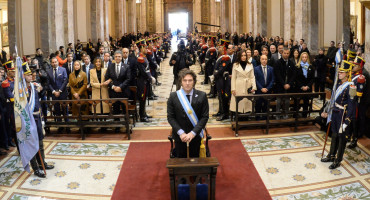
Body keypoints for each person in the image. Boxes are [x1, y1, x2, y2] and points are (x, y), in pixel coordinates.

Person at [321, 61, 356, 169]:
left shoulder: (351, 87)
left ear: (347, 73)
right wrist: (328, 111)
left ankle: (338, 160)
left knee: (342, 139)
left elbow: (352, 106)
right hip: (335, 113)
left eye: (341, 72)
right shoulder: (338, 84)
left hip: (343, 115)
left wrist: (347, 121)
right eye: (339, 72)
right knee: (334, 135)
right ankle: (331, 155)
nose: (339, 74)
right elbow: (332, 100)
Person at [167, 69, 209, 158]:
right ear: (181, 82)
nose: (187, 83)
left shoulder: (202, 95)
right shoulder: (173, 96)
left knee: (195, 160)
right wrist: (181, 133)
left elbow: (204, 117)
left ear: (194, 82)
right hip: (179, 136)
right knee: (180, 160)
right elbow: (170, 117)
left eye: (190, 80)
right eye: (184, 80)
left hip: (196, 135)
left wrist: (193, 133)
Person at [23, 64, 54, 178]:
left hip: (37, 117)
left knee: (40, 142)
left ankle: (42, 163)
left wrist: (42, 87)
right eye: (28, 75)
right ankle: (35, 168)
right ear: (23, 76)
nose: (31, 76)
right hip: (28, 120)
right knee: (31, 144)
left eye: (31, 74)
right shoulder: (21, 90)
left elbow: (40, 96)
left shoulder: (34, 86)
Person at [105, 50, 131, 132]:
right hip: (113, 92)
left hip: (123, 91)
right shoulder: (110, 66)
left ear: (121, 57)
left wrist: (120, 87)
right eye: (116, 56)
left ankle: (126, 125)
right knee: (115, 109)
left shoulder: (126, 66)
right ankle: (117, 126)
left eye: (119, 56)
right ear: (114, 57)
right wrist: (112, 87)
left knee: (124, 109)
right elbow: (107, 78)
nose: (117, 58)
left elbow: (128, 79)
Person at [347, 56, 366, 149]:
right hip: (350, 102)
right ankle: (348, 136)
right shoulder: (353, 75)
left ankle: (354, 140)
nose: (353, 66)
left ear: (359, 67)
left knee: (354, 121)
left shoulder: (360, 78)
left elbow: (359, 93)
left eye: (355, 65)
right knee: (349, 120)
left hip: (355, 103)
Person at [230, 50, 257, 114]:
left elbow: (252, 77)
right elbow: (233, 78)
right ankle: (238, 119)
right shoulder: (235, 65)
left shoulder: (250, 65)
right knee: (239, 104)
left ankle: (246, 118)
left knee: (247, 104)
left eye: (245, 55)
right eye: (242, 55)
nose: (243, 57)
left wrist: (254, 87)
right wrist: (233, 89)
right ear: (239, 56)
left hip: (247, 85)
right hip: (238, 85)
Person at [47, 57, 70, 133]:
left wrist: (60, 91)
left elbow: (65, 80)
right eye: (53, 62)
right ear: (51, 63)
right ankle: (60, 126)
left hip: (62, 92)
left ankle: (67, 126)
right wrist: (54, 91)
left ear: (57, 62)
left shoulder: (63, 69)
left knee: (65, 109)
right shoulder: (49, 71)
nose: (54, 63)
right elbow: (49, 83)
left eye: (55, 62)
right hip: (54, 94)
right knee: (57, 110)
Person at [274, 47, 297, 119]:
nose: (286, 55)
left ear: (289, 54)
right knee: (278, 101)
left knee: (287, 101)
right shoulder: (278, 62)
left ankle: (286, 113)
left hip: (288, 86)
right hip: (280, 85)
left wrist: (289, 84)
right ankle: (277, 114)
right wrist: (283, 84)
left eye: (287, 53)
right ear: (282, 53)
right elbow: (277, 75)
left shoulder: (291, 62)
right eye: (285, 53)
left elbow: (294, 75)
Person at [1, 61, 17, 148]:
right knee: (9, 124)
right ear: (8, 71)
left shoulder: (16, 81)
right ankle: (8, 140)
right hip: (9, 107)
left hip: (15, 107)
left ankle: (13, 139)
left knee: (14, 124)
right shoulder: (5, 83)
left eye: (14, 70)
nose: (14, 72)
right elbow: (10, 96)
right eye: (12, 71)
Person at [254, 55, 275, 120]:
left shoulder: (271, 68)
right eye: (262, 59)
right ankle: (257, 119)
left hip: (267, 91)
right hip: (259, 91)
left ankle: (265, 119)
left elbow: (272, 80)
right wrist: (261, 88)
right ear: (260, 60)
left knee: (266, 106)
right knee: (258, 105)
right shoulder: (256, 69)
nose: (264, 60)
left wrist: (268, 88)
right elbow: (255, 80)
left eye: (265, 59)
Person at [296, 52, 314, 117]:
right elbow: (296, 78)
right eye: (303, 57)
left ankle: (304, 117)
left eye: (305, 57)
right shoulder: (297, 66)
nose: (304, 58)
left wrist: (308, 86)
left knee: (306, 103)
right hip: (299, 88)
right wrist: (302, 86)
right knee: (297, 103)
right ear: (301, 58)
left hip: (307, 88)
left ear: (307, 58)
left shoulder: (311, 66)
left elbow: (312, 78)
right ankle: (296, 117)